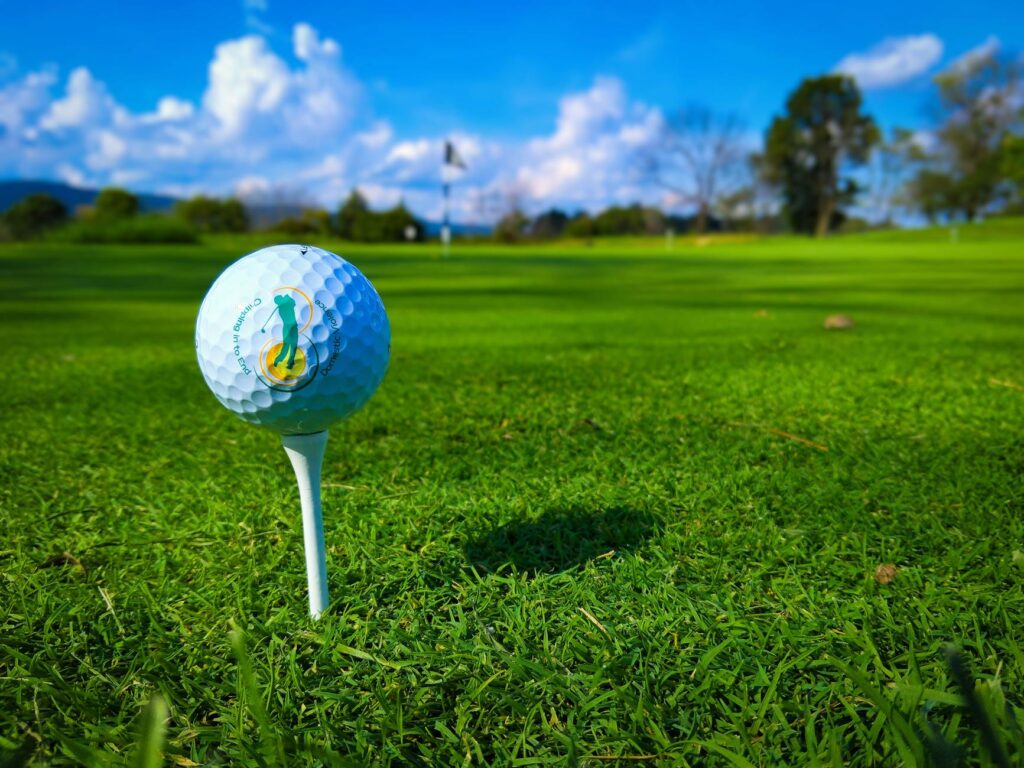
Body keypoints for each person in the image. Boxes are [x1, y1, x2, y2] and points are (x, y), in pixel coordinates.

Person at [272, 294, 299, 369]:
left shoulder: (286, 303)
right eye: (280, 299)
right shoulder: (282, 307)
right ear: (278, 302)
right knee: (286, 346)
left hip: (293, 327)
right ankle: (278, 360)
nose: (282, 298)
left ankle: (290, 363)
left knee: (293, 346)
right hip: (288, 327)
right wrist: (287, 298)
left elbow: (293, 302)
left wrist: (287, 298)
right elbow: (291, 303)